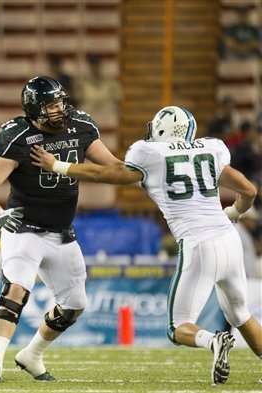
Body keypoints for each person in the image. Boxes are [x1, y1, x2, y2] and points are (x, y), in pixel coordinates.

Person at [31, 105, 262, 385]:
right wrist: (234, 213)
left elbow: (111, 175)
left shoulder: (151, 154)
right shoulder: (211, 148)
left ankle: (213, 341)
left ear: (164, 128)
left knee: (178, 327)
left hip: (198, 243)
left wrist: (58, 165)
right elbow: (249, 190)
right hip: (229, 239)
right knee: (240, 313)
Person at [0, 76, 121, 382]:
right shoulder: (17, 135)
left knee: (75, 304)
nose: (59, 110)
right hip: (23, 229)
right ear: (34, 109)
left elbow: (112, 167)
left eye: (60, 103)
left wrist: (141, 168)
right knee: (17, 287)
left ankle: (32, 354)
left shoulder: (81, 126)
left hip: (61, 232)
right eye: (52, 105)